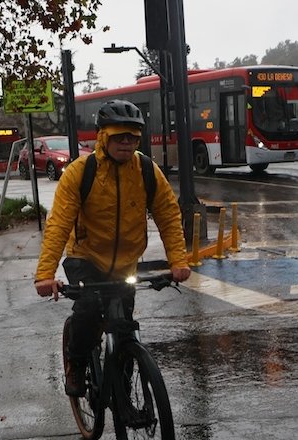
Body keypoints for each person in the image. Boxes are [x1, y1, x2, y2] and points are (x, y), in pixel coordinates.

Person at [34, 100, 191, 393]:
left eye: (132, 137)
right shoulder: (80, 172)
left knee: (124, 328)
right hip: (86, 258)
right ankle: (76, 366)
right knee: (89, 310)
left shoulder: (146, 169)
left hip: (125, 262)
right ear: (103, 137)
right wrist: (45, 273)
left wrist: (178, 262)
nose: (126, 143)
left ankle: (124, 395)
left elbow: (168, 215)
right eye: (119, 136)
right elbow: (58, 225)